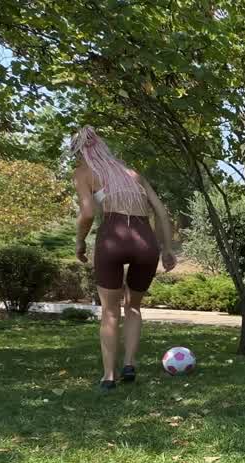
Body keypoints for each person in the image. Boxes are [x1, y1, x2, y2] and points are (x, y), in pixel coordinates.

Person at [71, 127, 178, 390]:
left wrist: (80, 241)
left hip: (112, 238)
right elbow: (161, 212)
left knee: (109, 311)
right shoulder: (132, 174)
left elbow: (87, 213)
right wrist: (167, 248)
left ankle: (109, 376)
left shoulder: (83, 172)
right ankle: (129, 363)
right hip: (145, 241)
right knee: (133, 306)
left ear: (79, 152)